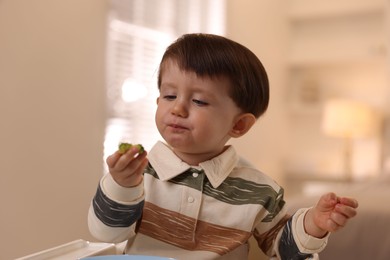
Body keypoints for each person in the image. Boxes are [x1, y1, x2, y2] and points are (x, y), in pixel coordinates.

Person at [88, 33, 358, 259]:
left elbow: (281, 248)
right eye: (169, 95)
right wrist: (122, 186)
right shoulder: (139, 174)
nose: (178, 108)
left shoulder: (259, 190)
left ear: (238, 125)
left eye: (199, 102)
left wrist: (313, 225)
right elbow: (105, 233)